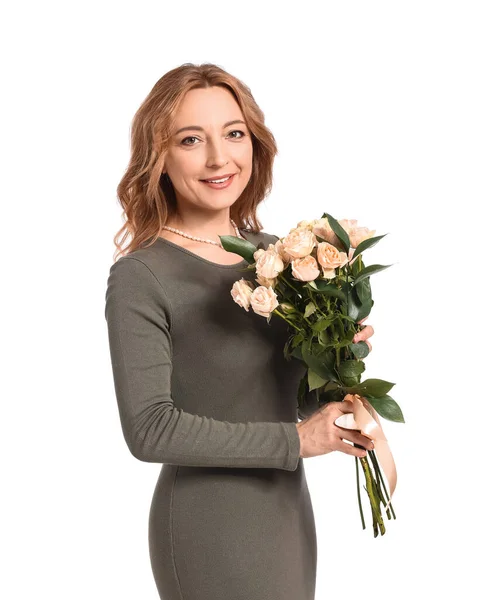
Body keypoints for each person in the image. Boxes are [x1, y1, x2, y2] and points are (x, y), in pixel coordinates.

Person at [104, 62, 375, 600]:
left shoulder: (278, 256)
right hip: (211, 524)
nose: (218, 158)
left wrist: (337, 359)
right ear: (159, 158)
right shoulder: (142, 276)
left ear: (255, 143)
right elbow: (150, 430)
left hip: (286, 511)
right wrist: (297, 440)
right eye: (190, 139)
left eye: (233, 134)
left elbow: (281, 397)